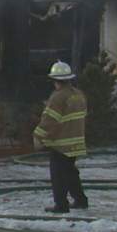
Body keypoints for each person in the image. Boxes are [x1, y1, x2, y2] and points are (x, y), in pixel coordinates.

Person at [33, 60, 89, 213]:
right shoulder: (78, 94)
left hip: (61, 143)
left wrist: (38, 136)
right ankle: (81, 200)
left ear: (55, 80)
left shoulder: (58, 97)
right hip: (76, 141)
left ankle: (61, 205)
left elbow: (49, 120)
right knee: (70, 172)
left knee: (58, 175)